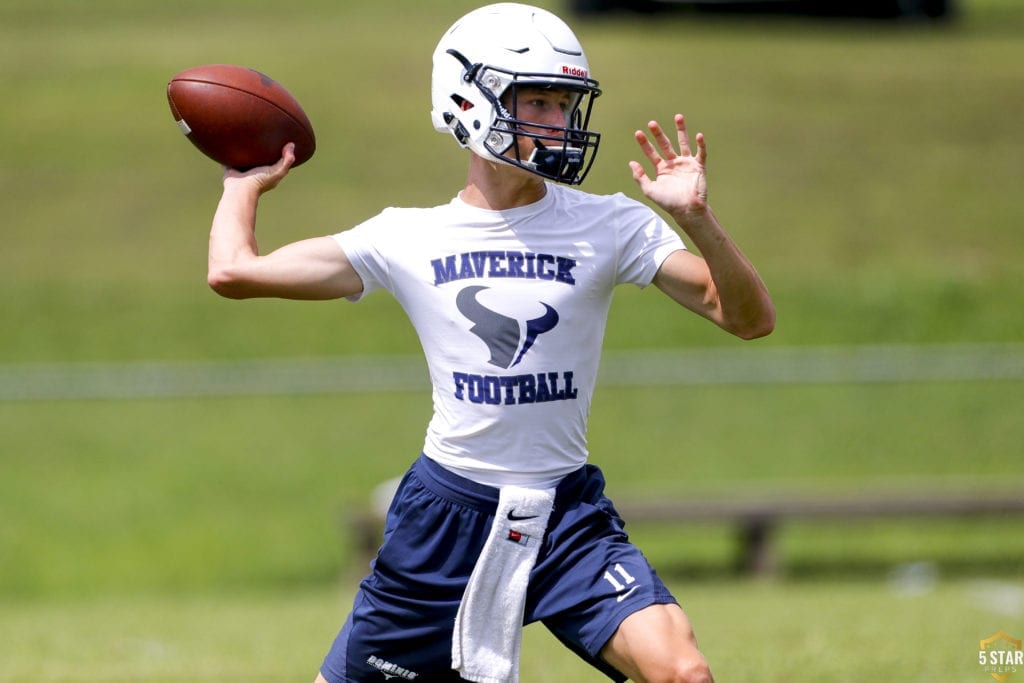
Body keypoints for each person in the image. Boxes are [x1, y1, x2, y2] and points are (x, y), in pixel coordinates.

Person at [207, 4, 774, 682]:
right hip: (446, 518)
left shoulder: (612, 223)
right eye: (536, 99)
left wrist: (698, 221)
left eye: (564, 104)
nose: (557, 122)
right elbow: (233, 272)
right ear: (466, 99)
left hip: (568, 516)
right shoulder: (405, 236)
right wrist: (242, 185)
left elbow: (747, 317)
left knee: (683, 672)